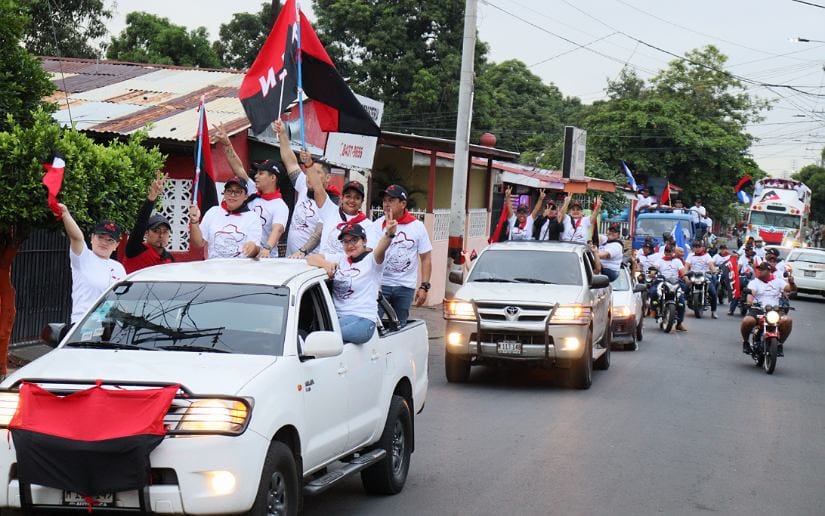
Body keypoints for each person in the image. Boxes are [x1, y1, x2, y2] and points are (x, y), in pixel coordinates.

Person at [307, 220, 394, 344]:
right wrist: (326, 264)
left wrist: (389, 235)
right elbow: (311, 258)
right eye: (346, 241)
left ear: (364, 241)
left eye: (354, 240)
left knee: (324, 339)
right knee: (319, 335)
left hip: (362, 320)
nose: (350, 245)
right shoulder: (340, 259)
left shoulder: (372, 261)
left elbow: (381, 249)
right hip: (337, 318)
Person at [213, 124, 290, 258]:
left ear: (273, 178)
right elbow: (238, 167)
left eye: (261, 173)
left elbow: (277, 230)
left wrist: (266, 249)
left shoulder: (280, 205)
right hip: (241, 256)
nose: (255, 176)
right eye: (256, 173)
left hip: (263, 260)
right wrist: (227, 144)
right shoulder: (252, 190)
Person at [369, 184, 433, 327]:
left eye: (391, 200)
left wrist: (424, 286)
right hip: (380, 284)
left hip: (405, 286)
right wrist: (388, 233)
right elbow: (372, 257)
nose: (386, 204)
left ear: (403, 204)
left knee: (399, 326)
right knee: (373, 324)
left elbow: (426, 258)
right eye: (385, 200)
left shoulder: (417, 227)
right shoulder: (376, 226)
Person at [58, 204, 126, 325]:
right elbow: (77, 238)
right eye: (100, 237)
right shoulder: (84, 257)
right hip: (83, 326)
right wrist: (65, 214)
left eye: (110, 240)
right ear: (92, 238)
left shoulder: (118, 268)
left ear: (116, 245)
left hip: (110, 328)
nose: (104, 242)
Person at [273, 120, 333, 257]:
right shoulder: (303, 185)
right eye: (309, 171)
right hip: (291, 260)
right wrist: (282, 134)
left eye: (317, 173)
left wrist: (302, 251)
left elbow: (318, 233)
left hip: (311, 265)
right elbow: (290, 161)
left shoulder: (330, 202)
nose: (310, 176)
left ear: (328, 178)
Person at [189, 178, 262, 259]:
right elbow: (198, 244)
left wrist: (253, 248)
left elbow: (256, 250)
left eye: (237, 192)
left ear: (245, 196)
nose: (232, 195)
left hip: (240, 269)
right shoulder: (213, 211)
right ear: (224, 193)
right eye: (229, 191)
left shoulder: (252, 217)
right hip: (214, 268)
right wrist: (194, 222)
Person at [123, 171, 174, 273]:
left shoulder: (169, 259)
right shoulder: (135, 250)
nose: (161, 235)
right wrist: (151, 199)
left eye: (165, 231)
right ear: (146, 233)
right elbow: (140, 223)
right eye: (156, 231)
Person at [741, 261, 795, 355]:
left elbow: (790, 289)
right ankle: (745, 342)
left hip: (775, 310)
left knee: (787, 320)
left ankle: (779, 344)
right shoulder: (754, 282)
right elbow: (751, 294)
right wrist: (749, 301)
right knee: (747, 321)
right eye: (759, 269)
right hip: (758, 309)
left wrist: (791, 282)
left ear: (769, 271)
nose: (759, 271)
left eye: (762, 270)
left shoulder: (778, 281)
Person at [650, 244, 688, 331]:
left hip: (675, 282)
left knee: (681, 301)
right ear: (664, 252)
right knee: (653, 292)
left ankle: (679, 323)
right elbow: (655, 268)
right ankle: (653, 309)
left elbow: (683, 271)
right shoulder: (659, 261)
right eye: (666, 251)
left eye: (669, 251)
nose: (668, 253)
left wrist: (686, 278)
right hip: (662, 281)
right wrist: (652, 273)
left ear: (673, 252)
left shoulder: (677, 261)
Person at [685, 240, 719, 318]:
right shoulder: (690, 255)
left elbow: (711, 265)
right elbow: (686, 266)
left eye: (699, 247)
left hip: (704, 276)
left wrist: (713, 270)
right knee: (685, 290)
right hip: (693, 275)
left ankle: (713, 311)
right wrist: (686, 277)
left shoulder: (707, 256)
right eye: (695, 247)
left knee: (713, 293)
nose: (697, 249)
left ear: (702, 248)